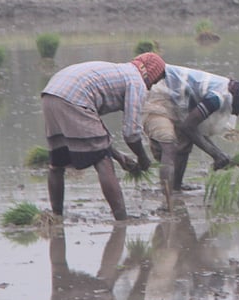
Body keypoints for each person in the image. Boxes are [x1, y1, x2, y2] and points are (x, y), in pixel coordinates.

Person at [41, 52, 165, 221]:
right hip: (74, 97)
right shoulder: (136, 82)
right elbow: (131, 133)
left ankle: (56, 217)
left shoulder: (121, 71)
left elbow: (94, 129)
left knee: (57, 162)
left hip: (51, 93)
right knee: (103, 161)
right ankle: (122, 219)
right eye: (155, 81)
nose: (151, 87)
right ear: (151, 74)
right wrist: (143, 158)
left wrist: (120, 157)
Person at [143, 64, 239, 210]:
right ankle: (167, 197)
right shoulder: (218, 97)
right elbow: (188, 126)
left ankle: (176, 187)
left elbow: (195, 129)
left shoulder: (225, 92)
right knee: (169, 145)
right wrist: (216, 154)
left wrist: (219, 154)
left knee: (185, 143)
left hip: (177, 98)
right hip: (160, 94)